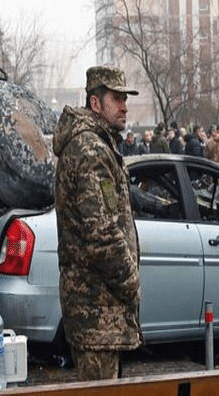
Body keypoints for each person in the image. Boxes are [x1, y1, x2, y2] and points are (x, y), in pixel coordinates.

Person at [52, 66, 143, 381]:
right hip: (96, 309)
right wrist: (131, 283)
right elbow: (102, 233)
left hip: (99, 311)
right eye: (116, 98)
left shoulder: (98, 145)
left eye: (125, 98)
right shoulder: (91, 150)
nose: (124, 106)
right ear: (95, 104)